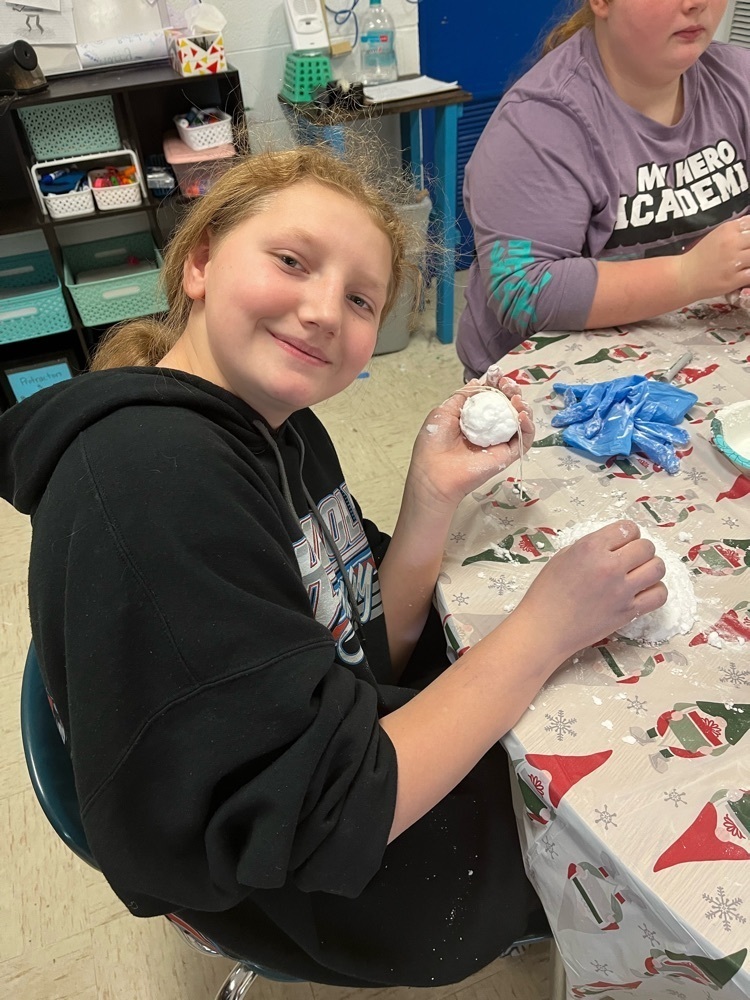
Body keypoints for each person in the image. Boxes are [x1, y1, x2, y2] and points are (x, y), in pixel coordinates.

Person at [0, 147, 667, 988]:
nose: (323, 312)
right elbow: (329, 807)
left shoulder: (275, 426)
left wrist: (427, 497)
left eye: (360, 299)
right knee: (610, 801)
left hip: (328, 769)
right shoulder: (153, 480)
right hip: (300, 879)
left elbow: (357, 644)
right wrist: (542, 631)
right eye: (292, 261)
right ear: (201, 260)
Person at [456, 0, 750, 379]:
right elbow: (523, 292)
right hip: (554, 387)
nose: (695, 4)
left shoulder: (738, 79)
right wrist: (687, 275)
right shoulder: (538, 123)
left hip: (694, 359)